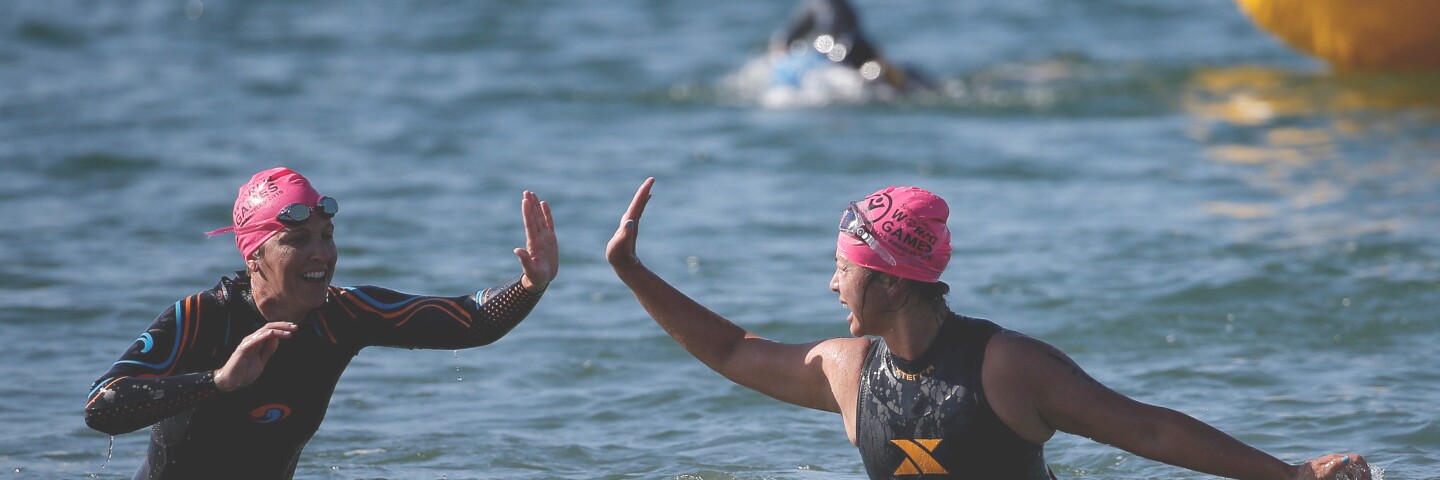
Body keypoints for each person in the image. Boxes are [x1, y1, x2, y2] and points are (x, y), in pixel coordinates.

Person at [605, 177, 1370, 479]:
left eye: (843, 265)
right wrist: (635, 273)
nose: (832, 281)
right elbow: (733, 350)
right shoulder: (849, 371)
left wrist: (1293, 475)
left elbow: (1152, 433)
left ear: (889, 276)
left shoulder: (1005, 367)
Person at [84, 167, 557, 479]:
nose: (321, 254)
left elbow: (470, 322)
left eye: (326, 236)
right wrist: (219, 381)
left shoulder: (343, 314)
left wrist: (529, 284)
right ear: (254, 255)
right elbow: (102, 406)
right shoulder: (202, 318)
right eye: (298, 240)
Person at [768, 0, 931, 94]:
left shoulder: (817, 7)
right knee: (883, 78)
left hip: (843, 54)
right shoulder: (839, 7)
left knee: (877, 78)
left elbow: (789, 39)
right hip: (856, 52)